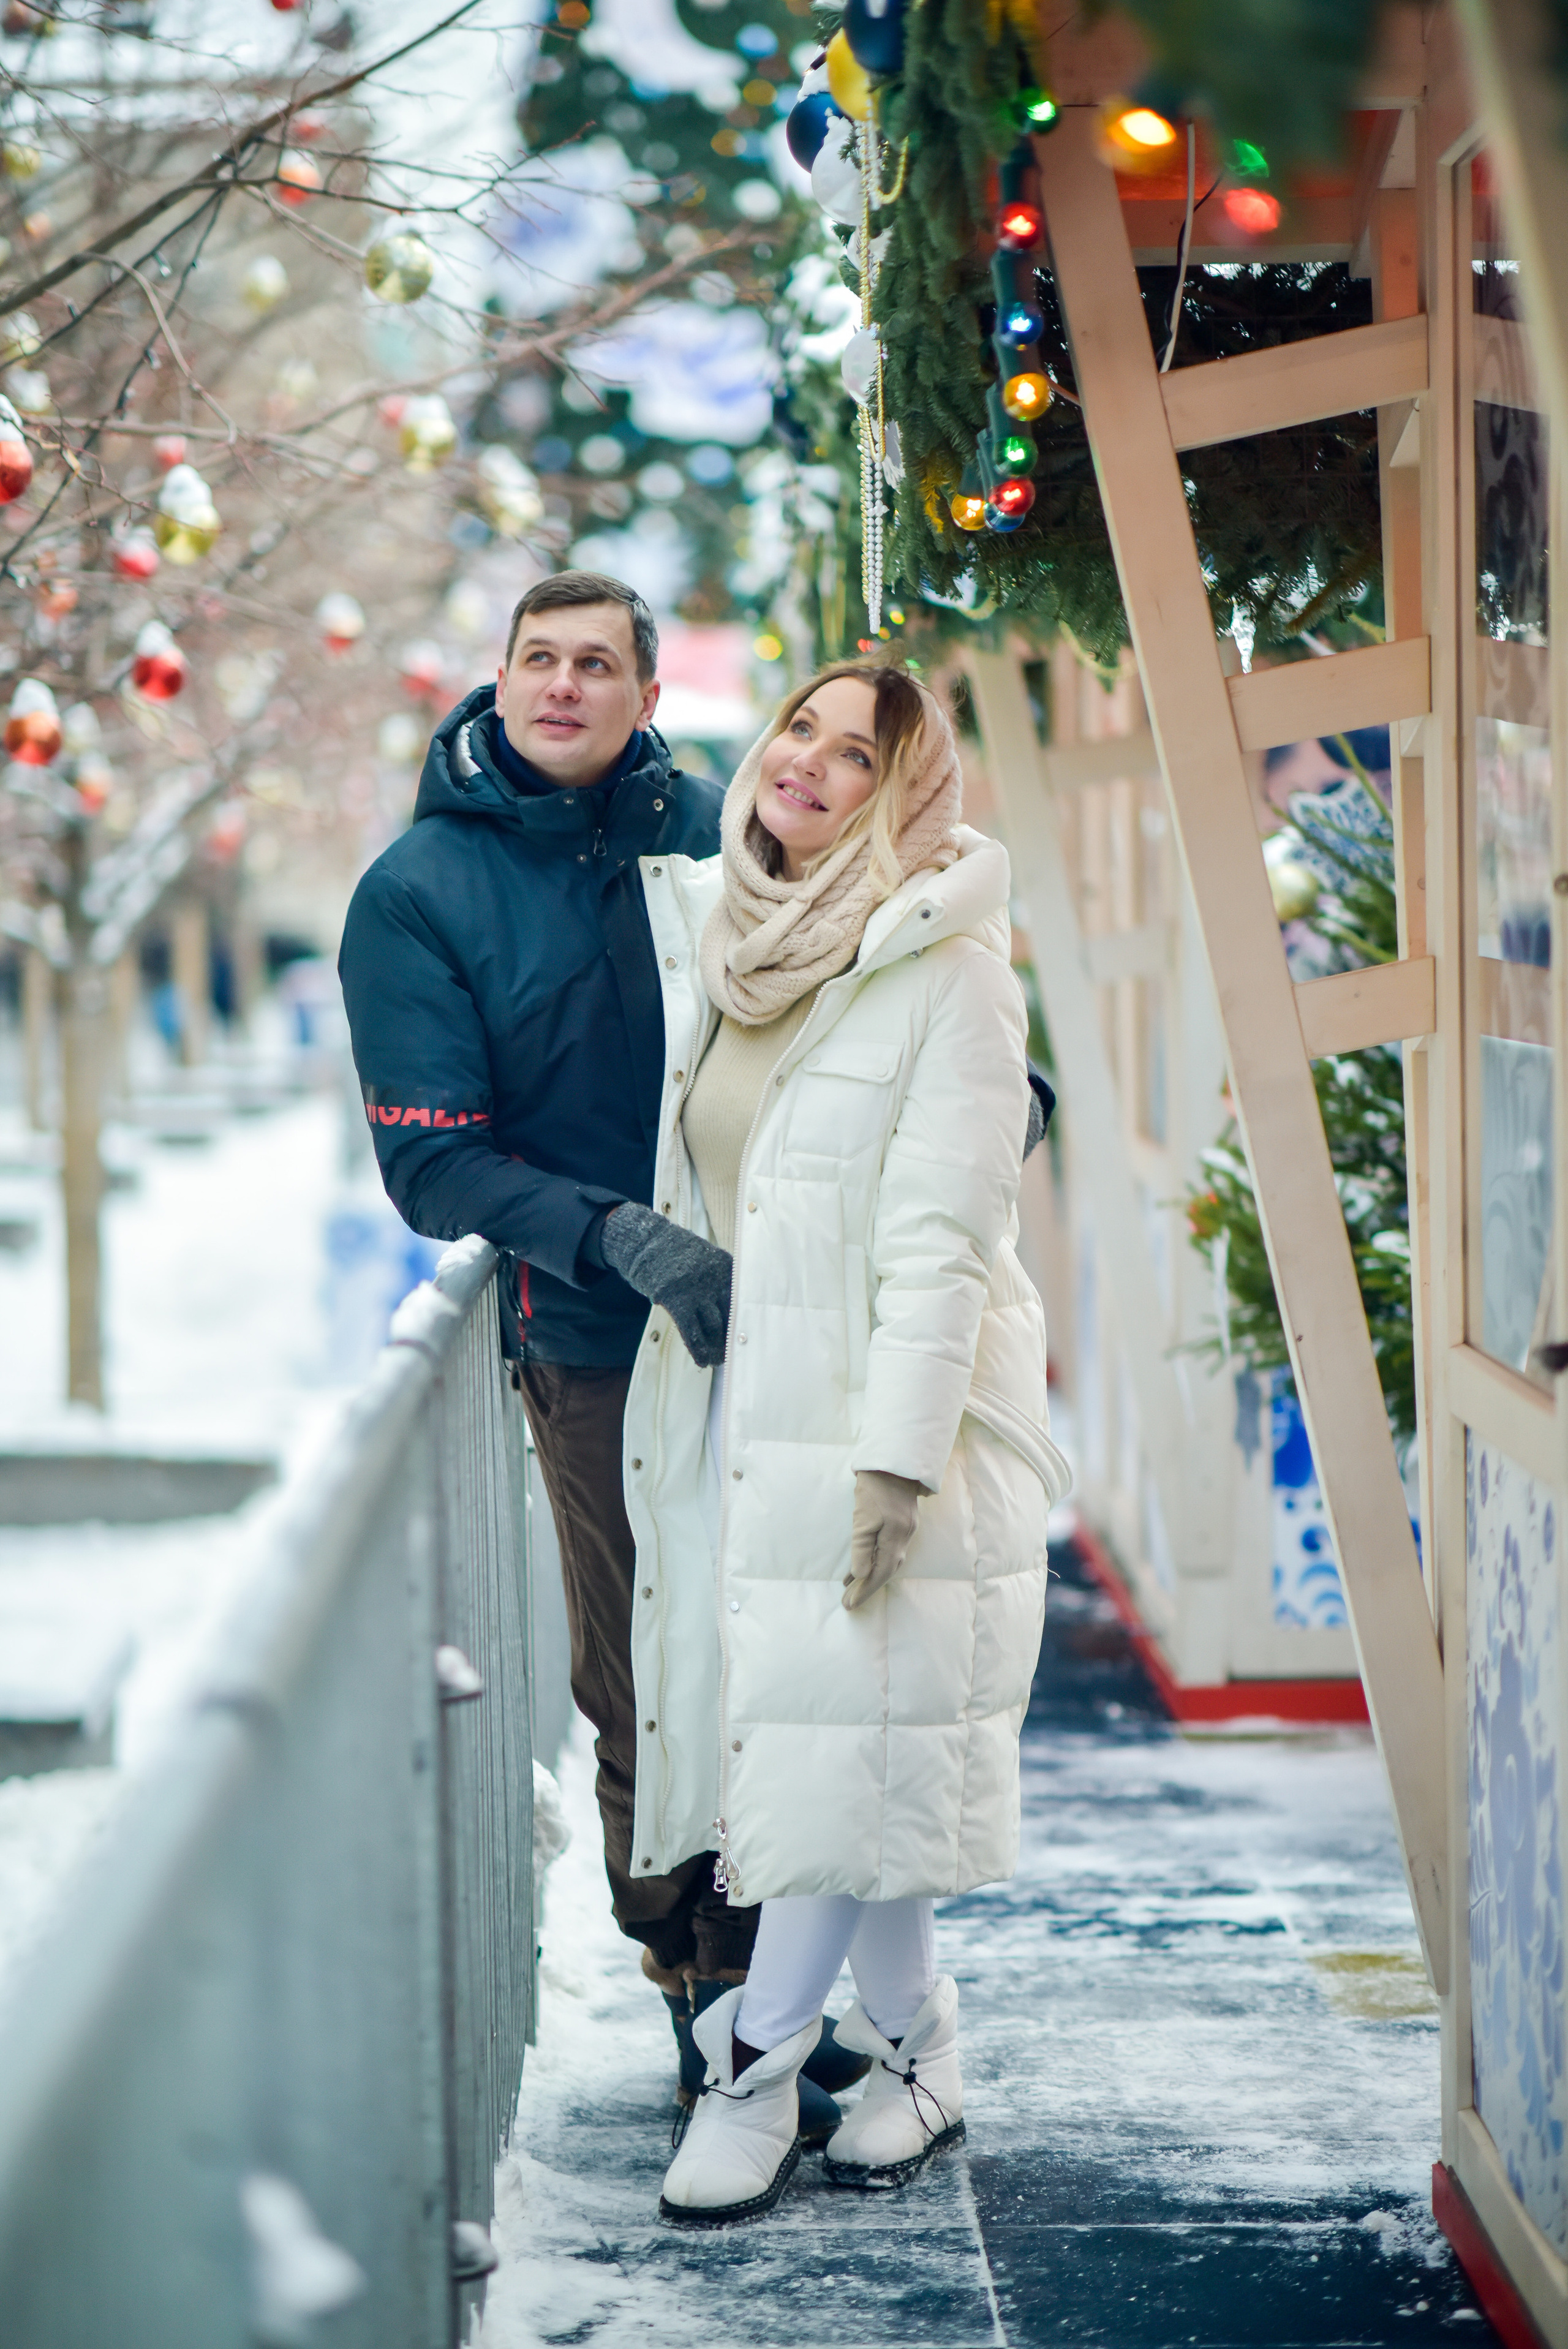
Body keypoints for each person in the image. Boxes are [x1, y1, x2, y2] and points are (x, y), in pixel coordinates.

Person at [337, 571, 871, 2131]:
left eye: (595, 665)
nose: (561, 687)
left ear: (645, 695)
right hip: (588, 1334)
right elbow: (433, 1161)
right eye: (536, 661)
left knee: (785, 1655)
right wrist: (612, 1236)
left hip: (782, 1314)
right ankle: (699, 1992)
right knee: (647, 1672)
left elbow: (861, 964)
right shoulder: (417, 892)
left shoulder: (719, 834)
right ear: (496, 682)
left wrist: (988, 1071)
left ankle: (776, 1984)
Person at [592, 659, 1070, 2225]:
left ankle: (755, 2069)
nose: (805, 759)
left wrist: (896, 1456)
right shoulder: (731, 943)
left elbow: (947, 1240)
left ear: (903, 792)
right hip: (753, 1401)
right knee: (837, 1741)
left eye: (852, 751)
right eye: (796, 724)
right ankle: (921, 2048)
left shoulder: (948, 971)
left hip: (888, 1415)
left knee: (821, 1742)